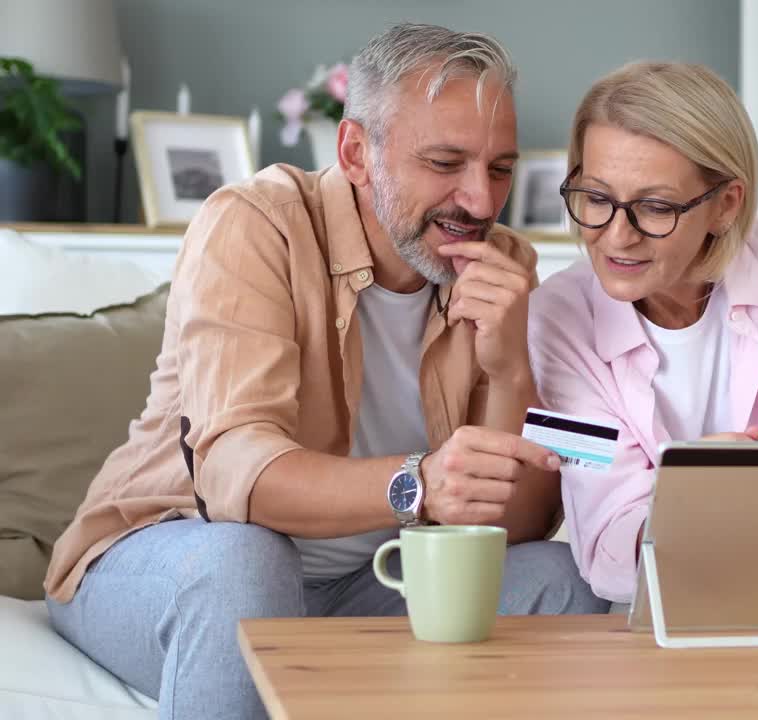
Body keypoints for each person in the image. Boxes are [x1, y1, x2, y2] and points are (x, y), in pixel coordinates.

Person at [43, 23, 609, 720]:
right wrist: (420, 483)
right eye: (445, 162)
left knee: (558, 578)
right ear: (355, 152)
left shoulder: (504, 268)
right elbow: (234, 474)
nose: (481, 202)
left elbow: (507, 531)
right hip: (163, 559)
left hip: (367, 585)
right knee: (249, 564)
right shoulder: (256, 225)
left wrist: (511, 370)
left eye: (499, 168)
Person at [527, 62, 758, 605]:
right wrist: (691, 488)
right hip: (655, 620)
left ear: (725, 204)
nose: (616, 237)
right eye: (596, 199)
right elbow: (607, 558)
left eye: (654, 207)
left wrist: (701, 503)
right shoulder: (555, 317)